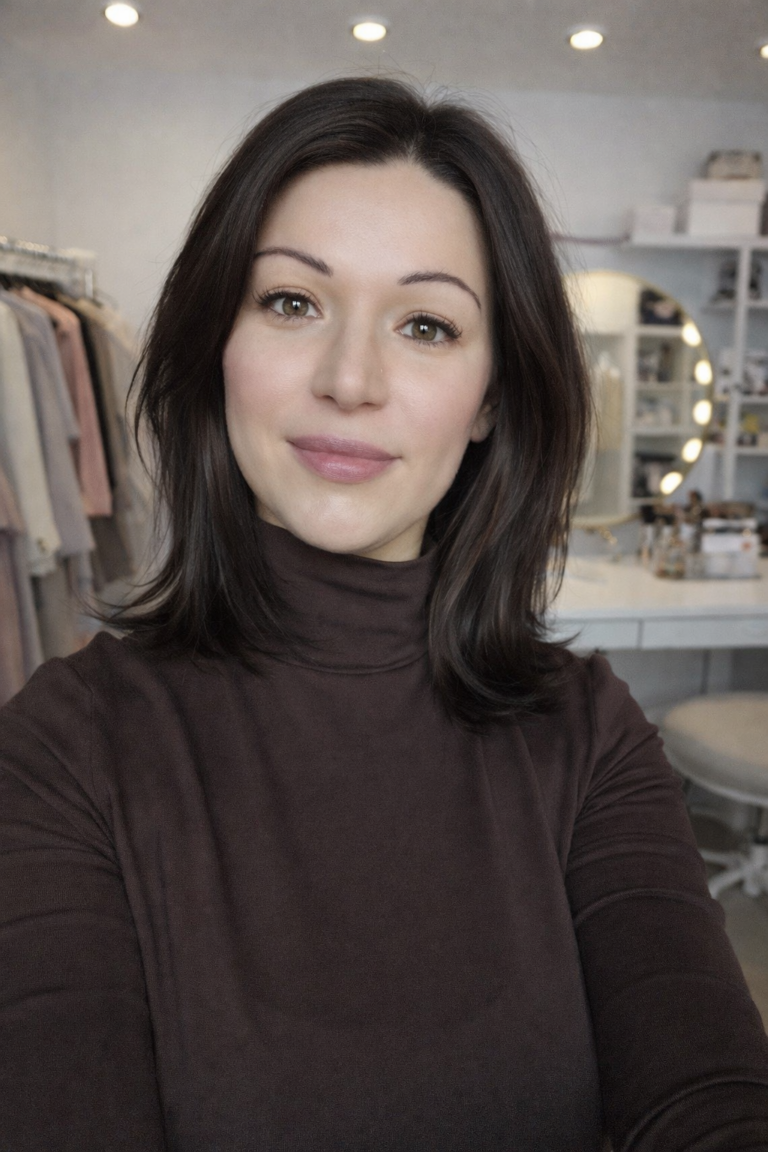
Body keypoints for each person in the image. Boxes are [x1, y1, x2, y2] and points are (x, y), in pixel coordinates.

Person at [1, 74, 767, 1152]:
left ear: (492, 397)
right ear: (217, 345)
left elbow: (706, 1092)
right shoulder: (65, 748)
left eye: (426, 324)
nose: (351, 379)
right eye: (292, 303)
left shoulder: (588, 736)